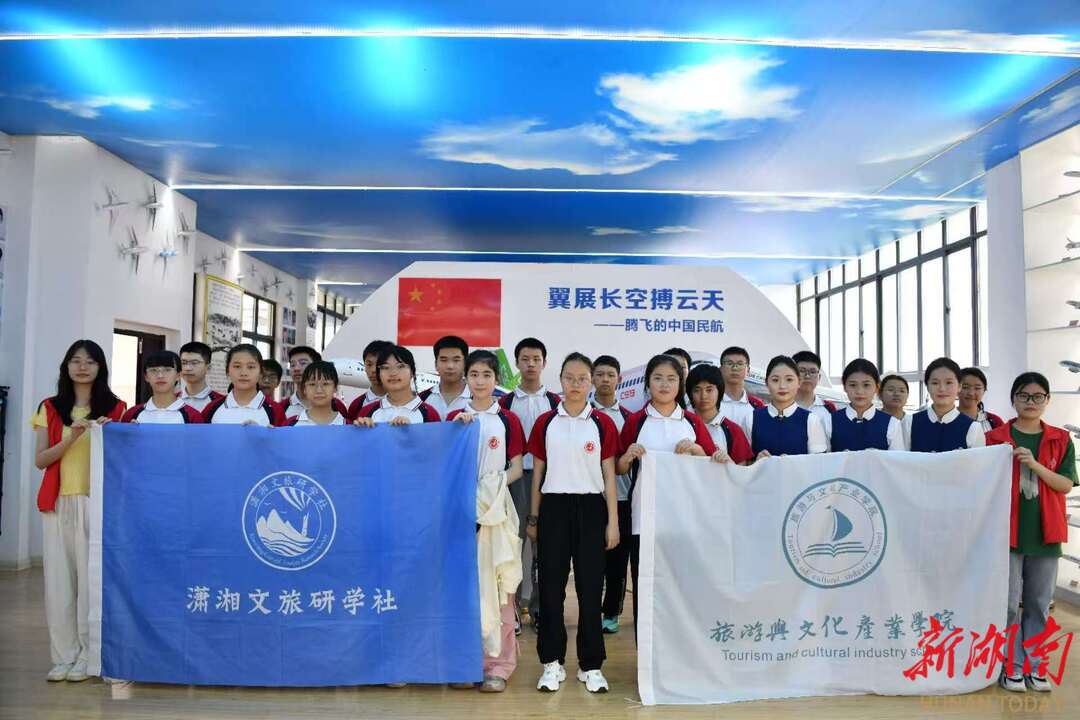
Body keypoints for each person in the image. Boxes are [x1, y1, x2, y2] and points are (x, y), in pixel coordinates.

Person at [32, 340, 127, 682]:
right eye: (75, 360)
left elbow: (122, 460)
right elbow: (41, 460)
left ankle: (90, 656)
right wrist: (71, 437)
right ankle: (63, 656)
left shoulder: (117, 408)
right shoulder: (49, 407)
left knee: (91, 585)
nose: (82, 367)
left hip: (97, 504)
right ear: (66, 366)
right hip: (58, 502)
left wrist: (107, 432)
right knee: (59, 584)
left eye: (90, 361)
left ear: (101, 367)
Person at [526, 353, 619, 694]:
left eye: (582, 378)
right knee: (551, 589)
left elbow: (609, 476)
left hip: (592, 508)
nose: (576, 384)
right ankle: (552, 663)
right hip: (553, 507)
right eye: (570, 378)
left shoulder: (602, 423)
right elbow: (537, 474)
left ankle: (590, 665)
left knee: (590, 590)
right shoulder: (546, 422)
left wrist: (612, 522)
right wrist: (534, 517)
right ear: (561, 380)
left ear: (591, 381)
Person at [986, 372, 1077, 693]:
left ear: (1047, 400)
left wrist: (1035, 465)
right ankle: (1011, 667)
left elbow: (1065, 484)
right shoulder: (995, 438)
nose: (1031, 402)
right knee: (1009, 605)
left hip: (1046, 534)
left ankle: (1035, 666)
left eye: (1038, 396)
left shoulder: (1060, 439)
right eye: (1024, 395)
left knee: (1038, 604)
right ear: (1013, 399)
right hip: (1006, 533)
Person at [616, 354, 720, 632]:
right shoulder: (636, 421)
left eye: (671, 379)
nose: (664, 385)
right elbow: (618, 468)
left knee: (682, 585)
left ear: (680, 384)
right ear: (648, 383)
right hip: (644, 518)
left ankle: (682, 646)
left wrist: (696, 449)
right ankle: (644, 651)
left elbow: (712, 462)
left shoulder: (691, 422)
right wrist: (628, 455)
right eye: (658, 378)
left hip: (684, 519)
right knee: (645, 586)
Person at [447, 350, 527, 693]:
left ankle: (499, 665)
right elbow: (445, 465)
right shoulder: (455, 417)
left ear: (497, 379)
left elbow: (517, 466)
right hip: (461, 514)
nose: (480, 381)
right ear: (466, 377)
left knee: (499, 587)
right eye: (474, 374)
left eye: (487, 375)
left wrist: (491, 490)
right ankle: (467, 663)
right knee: (465, 590)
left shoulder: (507, 419)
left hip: (497, 511)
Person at [499, 338, 561, 630]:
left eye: (536, 359)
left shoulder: (556, 402)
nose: (531, 364)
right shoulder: (505, 403)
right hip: (516, 479)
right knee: (513, 545)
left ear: (544, 363)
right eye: (525, 359)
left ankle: (539, 608)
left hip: (550, 479)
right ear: (516, 363)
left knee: (544, 548)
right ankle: (511, 610)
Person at [590, 355, 632, 634]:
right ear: (592, 378)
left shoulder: (629, 418)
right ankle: (590, 611)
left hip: (623, 498)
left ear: (619, 379)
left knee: (617, 562)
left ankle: (611, 613)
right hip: (591, 498)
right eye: (600, 374)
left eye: (611, 375)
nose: (605, 379)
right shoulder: (580, 412)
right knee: (591, 561)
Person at [751, 355, 829, 459]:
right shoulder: (752, 418)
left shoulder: (811, 420)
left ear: (799, 382)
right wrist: (756, 462)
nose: (782, 386)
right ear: (766, 383)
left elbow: (819, 463)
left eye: (789, 379)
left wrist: (793, 463)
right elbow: (742, 464)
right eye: (775, 380)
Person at [908, 357, 985, 452]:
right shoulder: (910, 422)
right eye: (935, 383)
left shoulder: (973, 428)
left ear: (959, 386)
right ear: (927, 386)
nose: (942, 388)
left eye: (949, 382)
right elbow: (900, 459)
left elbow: (979, 461)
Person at [352, 345, 441, 425]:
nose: (393, 373)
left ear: (412, 372)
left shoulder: (429, 414)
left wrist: (411, 431)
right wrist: (363, 431)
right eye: (386, 367)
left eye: (400, 366)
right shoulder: (367, 412)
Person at [828, 359, 905, 451]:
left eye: (866, 385)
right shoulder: (829, 421)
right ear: (844, 387)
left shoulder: (892, 424)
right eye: (853, 385)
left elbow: (898, 459)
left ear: (877, 387)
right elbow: (822, 458)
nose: (859, 391)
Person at [201, 345, 287, 426]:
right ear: (227, 371)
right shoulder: (212, 408)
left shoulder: (275, 410)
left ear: (260, 372)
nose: (243, 373)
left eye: (251, 367)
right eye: (237, 366)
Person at [686, 363, 754, 464]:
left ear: (720, 391)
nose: (703, 396)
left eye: (709, 390)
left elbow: (741, 470)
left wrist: (729, 463)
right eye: (697, 390)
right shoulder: (681, 422)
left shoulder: (733, 431)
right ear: (690, 393)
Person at [121, 350, 204, 424]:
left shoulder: (192, 417)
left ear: (178, 375)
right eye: (153, 370)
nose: (160, 376)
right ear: (146, 377)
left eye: (167, 370)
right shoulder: (131, 414)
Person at [282, 346, 348, 420]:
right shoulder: (283, 407)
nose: (296, 369)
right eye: (292, 365)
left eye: (303, 363)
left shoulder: (337, 406)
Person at [718, 345, 765, 440]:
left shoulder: (757, 406)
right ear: (721, 368)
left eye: (740, 364)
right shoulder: (710, 402)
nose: (734, 368)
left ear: (748, 370)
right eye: (729, 363)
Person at [420, 335, 472, 419]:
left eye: (456, 360)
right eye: (444, 360)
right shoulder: (422, 399)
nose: (450, 366)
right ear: (436, 364)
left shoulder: (477, 397)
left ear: (465, 364)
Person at [792, 350, 838, 432]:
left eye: (812, 372)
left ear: (819, 377)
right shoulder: (782, 406)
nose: (807, 376)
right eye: (802, 371)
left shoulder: (829, 408)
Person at [346, 340, 392, 421]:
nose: (373, 370)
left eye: (379, 364)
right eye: (369, 364)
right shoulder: (356, 405)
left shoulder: (405, 402)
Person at [291, 361, 346, 425]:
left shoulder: (348, 426)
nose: (319, 390)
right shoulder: (291, 425)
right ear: (304, 389)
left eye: (325, 384)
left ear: (335, 388)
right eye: (312, 384)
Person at [177, 341, 223, 412]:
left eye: (194, 363)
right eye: (184, 363)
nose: (188, 368)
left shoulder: (220, 402)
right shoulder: (172, 399)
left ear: (208, 367)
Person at [959, 367, 1005, 433]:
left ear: (984, 390)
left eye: (977, 388)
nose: (971, 393)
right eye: (965, 387)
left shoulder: (995, 422)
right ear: (956, 388)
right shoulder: (946, 420)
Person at [879, 374, 912, 448]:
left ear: (907, 396)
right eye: (891, 390)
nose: (897, 394)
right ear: (880, 394)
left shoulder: (913, 422)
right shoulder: (873, 421)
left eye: (902, 391)